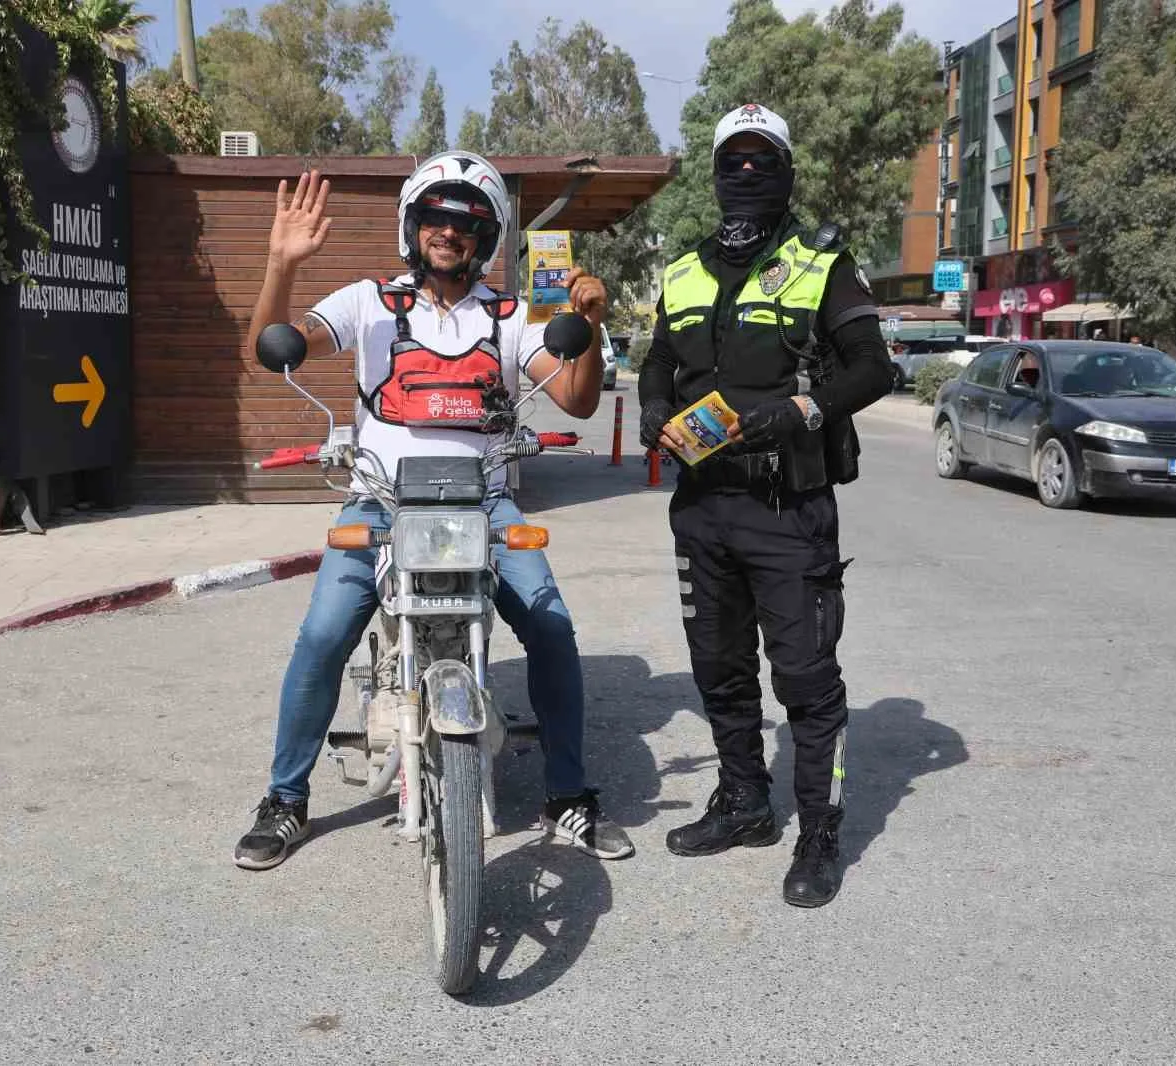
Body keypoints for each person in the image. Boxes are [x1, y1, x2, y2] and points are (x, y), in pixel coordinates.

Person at [234, 153, 635, 869]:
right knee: (322, 635)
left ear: (485, 239)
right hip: (380, 501)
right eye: (436, 219)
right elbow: (274, 350)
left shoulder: (510, 317)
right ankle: (285, 798)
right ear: (413, 226)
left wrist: (588, 323)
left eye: (467, 223)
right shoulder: (367, 303)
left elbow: (576, 400)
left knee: (551, 628)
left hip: (486, 502)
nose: (449, 233)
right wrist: (281, 265)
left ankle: (567, 794)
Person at [638, 103, 893, 908]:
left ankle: (820, 831)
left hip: (789, 508)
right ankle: (744, 801)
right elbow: (657, 360)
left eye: (762, 161)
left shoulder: (822, 264)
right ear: (716, 174)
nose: (746, 173)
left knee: (806, 681)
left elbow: (874, 368)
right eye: (733, 161)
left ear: (786, 173)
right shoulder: (683, 270)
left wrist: (804, 410)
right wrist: (653, 409)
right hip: (702, 505)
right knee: (719, 670)